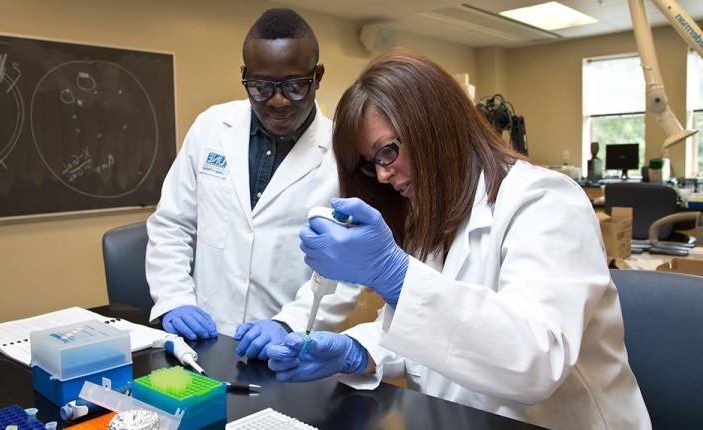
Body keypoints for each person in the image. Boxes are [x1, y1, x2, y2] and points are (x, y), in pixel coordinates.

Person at [266, 51, 650, 429]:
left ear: (435, 125)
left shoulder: (544, 201)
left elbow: (535, 361)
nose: (382, 176)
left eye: (387, 151)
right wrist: (356, 352)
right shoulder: (432, 213)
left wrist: (396, 276)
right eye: (371, 163)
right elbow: (434, 338)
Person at [146, 8, 360, 360]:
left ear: (317, 76)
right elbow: (172, 224)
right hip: (204, 340)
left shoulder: (343, 154)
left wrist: (288, 324)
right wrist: (174, 300)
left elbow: (346, 271)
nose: (277, 101)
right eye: (261, 86)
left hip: (289, 350)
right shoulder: (210, 127)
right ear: (245, 75)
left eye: (293, 86)